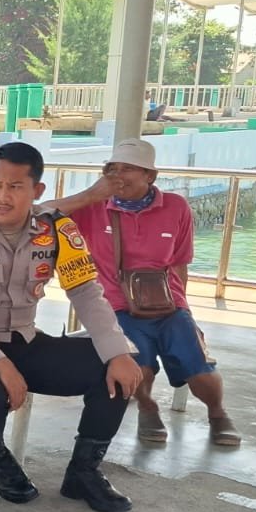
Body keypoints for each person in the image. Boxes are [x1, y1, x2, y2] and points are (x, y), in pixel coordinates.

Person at [0, 140, 142, 511]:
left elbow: (86, 293)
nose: (2, 196)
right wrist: (1, 364)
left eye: (15, 186)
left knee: (116, 367)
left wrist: (118, 351)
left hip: (25, 340)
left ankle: (84, 471)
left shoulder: (56, 230)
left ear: (37, 190)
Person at [55, 139, 241, 448]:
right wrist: (90, 195)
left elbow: (179, 263)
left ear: (150, 176)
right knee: (135, 364)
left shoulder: (176, 207)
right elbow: (36, 215)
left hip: (168, 304)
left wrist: (184, 309)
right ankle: (147, 406)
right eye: (111, 169)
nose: (118, 176)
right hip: (116, 305)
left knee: (200, 370)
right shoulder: (92, 208)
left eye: (127, 169)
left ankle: (217, 413)